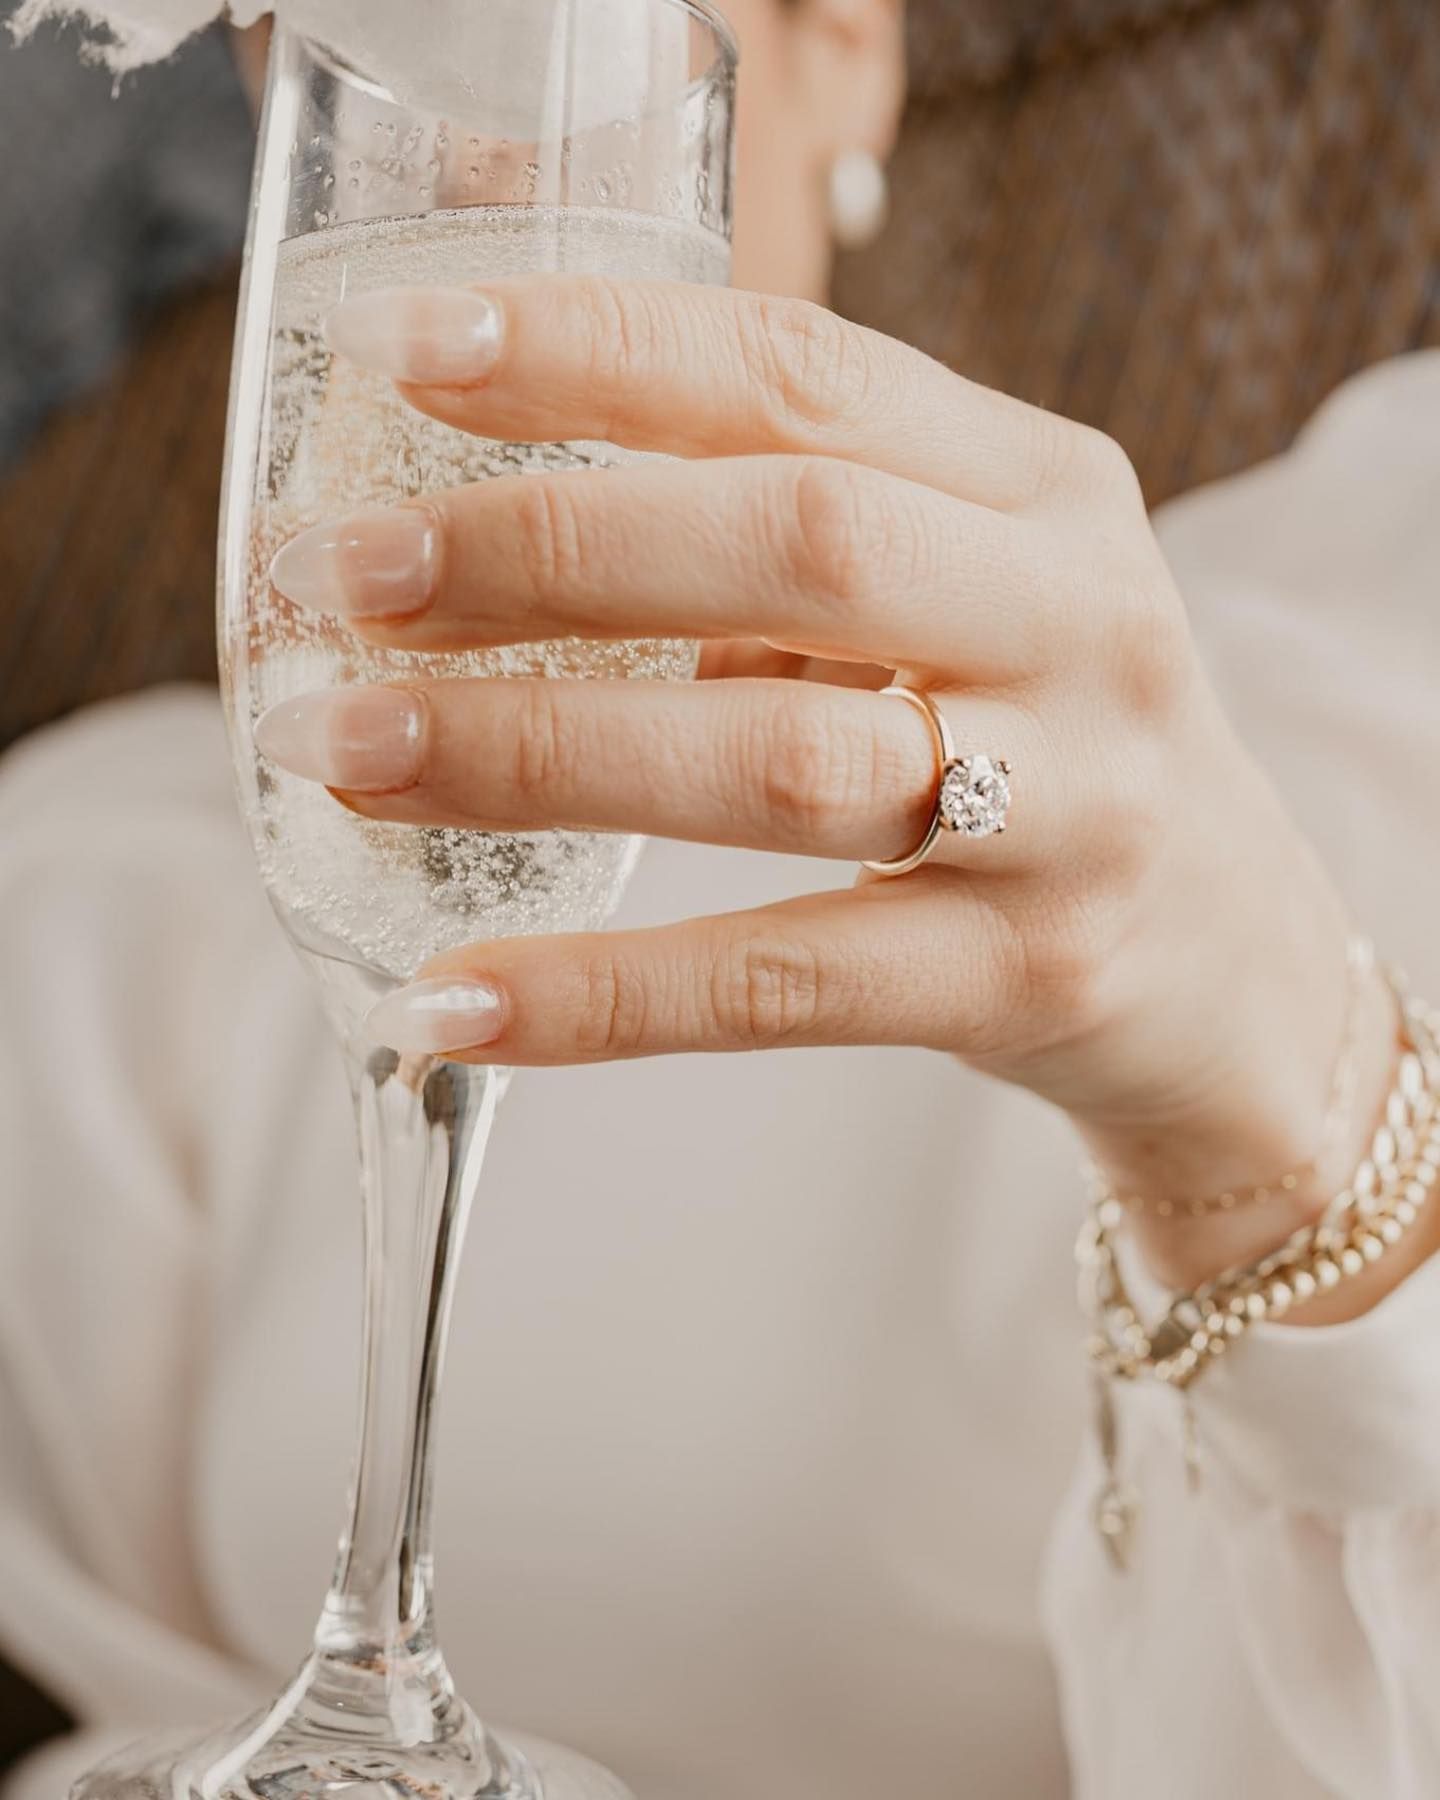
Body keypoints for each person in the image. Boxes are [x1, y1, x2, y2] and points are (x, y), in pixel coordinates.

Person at [0, 2, 1437, 1797]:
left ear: (847, 44)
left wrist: (1286, 1095)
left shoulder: (1373, 645)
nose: (452, 131)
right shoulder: (109, 920)